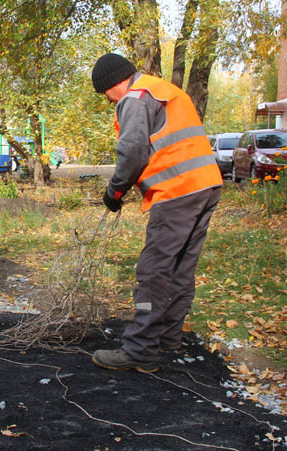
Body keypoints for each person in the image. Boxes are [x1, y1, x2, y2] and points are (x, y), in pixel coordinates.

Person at [89, 53, 223, 373]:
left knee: (153, 270)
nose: (108, 101)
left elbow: (132, 153)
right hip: (206, 185)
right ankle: (167, 337)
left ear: (114, 84)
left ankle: (141, 350)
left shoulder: (134, 99)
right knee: (179, 269)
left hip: (177, 191)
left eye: (105, 94)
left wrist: (115, 192)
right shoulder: (164, 89)